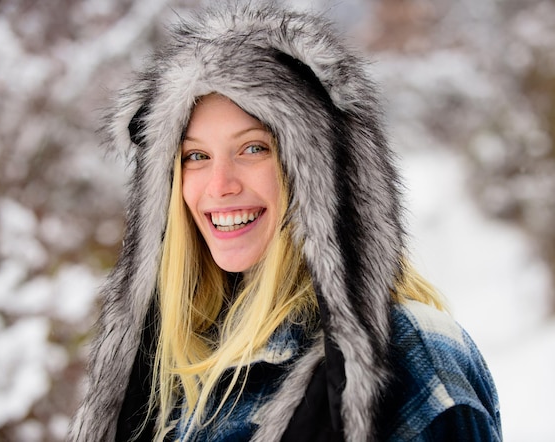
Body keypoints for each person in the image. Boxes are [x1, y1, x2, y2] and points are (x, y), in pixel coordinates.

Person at [69, 2, 502, 441]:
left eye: (254, 148)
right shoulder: (170, 374)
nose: (219, 185)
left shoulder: (412, 361)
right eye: (195, 156)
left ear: (325, 174)